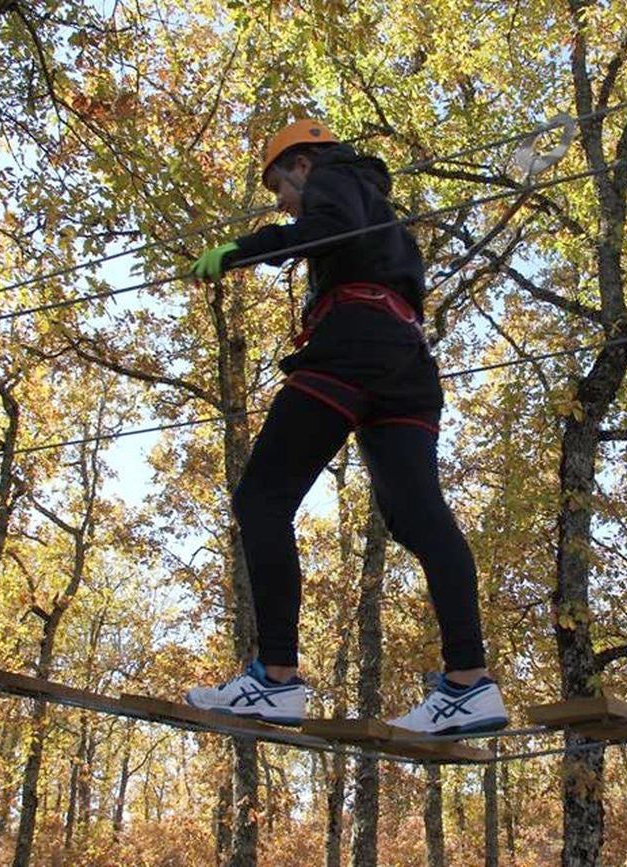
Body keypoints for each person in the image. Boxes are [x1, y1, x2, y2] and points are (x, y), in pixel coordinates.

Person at [183, 119, 508, 735]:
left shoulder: (335, 176)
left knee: (262, 498)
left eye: (281, 185)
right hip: (406, 361)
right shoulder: (378, 207)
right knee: (417, 515)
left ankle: (274, 679)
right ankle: (469, 682)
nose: (282, 201)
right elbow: (343, 237)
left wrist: (244, 249)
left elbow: (325, 229)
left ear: (303, 163)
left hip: (353, 345)